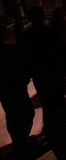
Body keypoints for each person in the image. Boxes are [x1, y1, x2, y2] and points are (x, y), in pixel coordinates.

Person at [0, 25, 34, 160]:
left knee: (14, 116)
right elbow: (18, 69)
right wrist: (24, 78)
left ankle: (20, 143)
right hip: (15, 89)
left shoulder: (9, 49)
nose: (8, 28)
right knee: (24, 114)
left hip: (8, 91)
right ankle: (22, 146)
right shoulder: (8, 50)